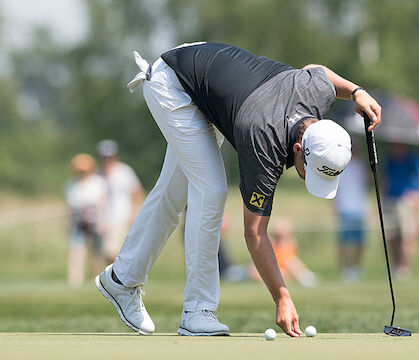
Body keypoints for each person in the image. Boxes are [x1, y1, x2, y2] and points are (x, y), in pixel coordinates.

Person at [95, 42, 382, 337]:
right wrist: (282, 297)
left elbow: (317, 72)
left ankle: (121, 279)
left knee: (174, 193)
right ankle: (198, 310)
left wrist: (358, 92)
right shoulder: (263, 140)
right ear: (298, 148)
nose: (306, 175)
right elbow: (254, 233)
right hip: (174, 86)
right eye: (308, 169)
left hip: (199, 77)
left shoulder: (315, 95)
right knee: (212, 191)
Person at [383, 142, 419, 279]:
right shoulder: (389, 159)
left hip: (406, 202)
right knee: (392, 237)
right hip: (390, 200)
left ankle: (404, 267)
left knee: (408, 236)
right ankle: (396, 267)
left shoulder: (414, 158)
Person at [96, 140, 144, 263]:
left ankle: (117, 278)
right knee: (107, 253)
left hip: (121, 217)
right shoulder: (99, 174)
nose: (107, 160)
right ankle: (114, 278)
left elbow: (137, 192)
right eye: (104, 157)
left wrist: (135, 213)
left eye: (109, 157)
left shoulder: (124, 172)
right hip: (105, 219)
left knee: (113, 251)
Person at [65, 154, 109, 288]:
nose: (82, 172)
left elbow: (103, 203)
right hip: (78, 223)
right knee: (76, 251)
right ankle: (75, 281)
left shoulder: (98, 183)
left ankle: (96, 279)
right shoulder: (71, 185)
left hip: (96, 222)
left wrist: (103, 222)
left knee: (96, 252)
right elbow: (70, 205)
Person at [333, 143, 368, 282]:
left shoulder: (361, 165)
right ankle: (345, 269)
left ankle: (355, 268)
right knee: (345, 242)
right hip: (345, 208)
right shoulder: (340, 167)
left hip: (359, 208)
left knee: (359, 242)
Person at [249, 219, 317, 287]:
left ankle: (303, 275)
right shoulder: (270, 243)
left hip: (285, 269)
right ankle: (303, 276)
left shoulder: (290, 243)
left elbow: (290, 259)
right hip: (274, 269)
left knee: (291, 262)